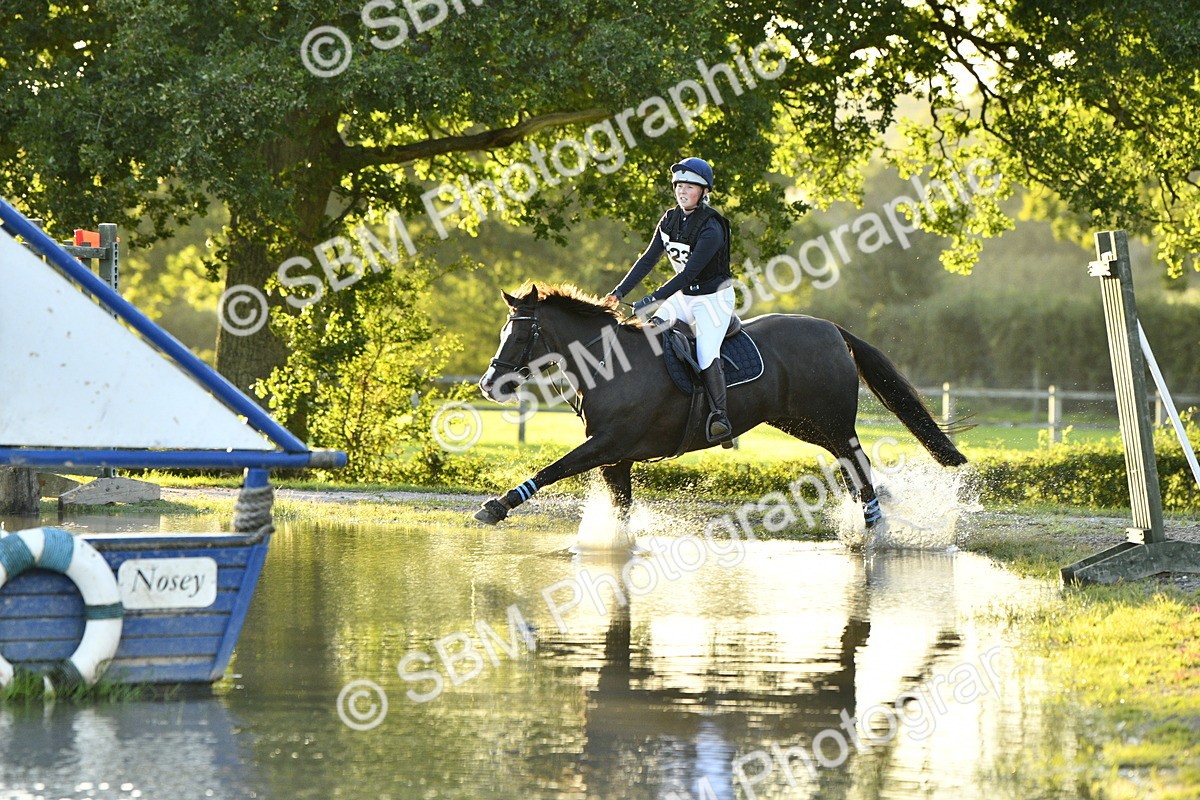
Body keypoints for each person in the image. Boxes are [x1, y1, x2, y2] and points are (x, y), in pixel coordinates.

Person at [602, 157, 735, 442]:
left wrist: (652, 297)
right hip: (684, 298)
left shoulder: (712, 227)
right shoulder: (669, 219)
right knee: (649, 336)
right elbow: (648, 259)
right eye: (679, 186)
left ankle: (720, 418)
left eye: (689, 186)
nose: (682, 192)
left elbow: (688, 274)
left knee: (706, 353)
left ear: (704, 192)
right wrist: (619, 292)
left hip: (714, 300)